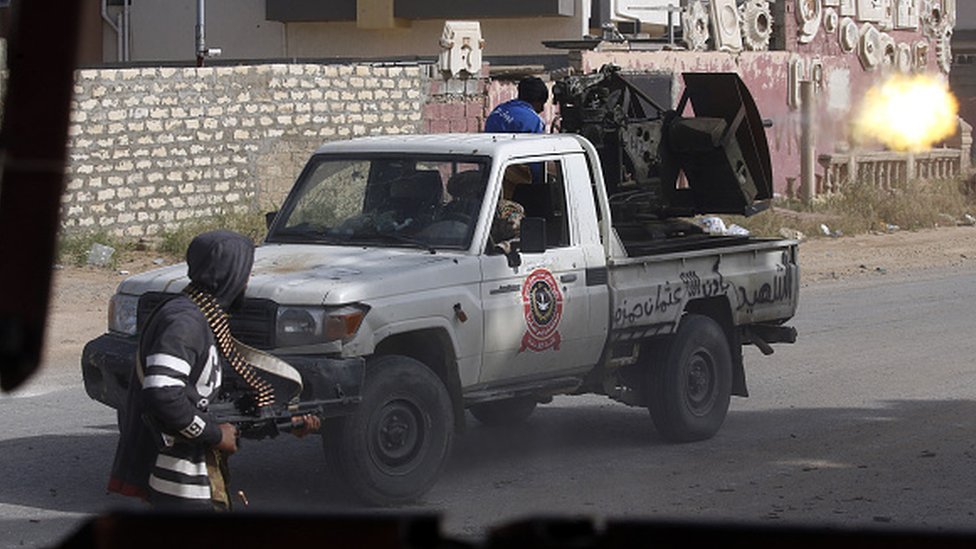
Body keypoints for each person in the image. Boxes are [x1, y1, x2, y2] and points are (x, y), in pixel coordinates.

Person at [107, 230, 319, 510]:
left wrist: (285, 423)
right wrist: (215, 435)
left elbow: (214, 408)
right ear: (228, 273)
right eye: (245, 272)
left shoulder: (197, 314)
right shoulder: (185, 322)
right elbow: (162, 394)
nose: (247, 281)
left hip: (191, 475)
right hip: (180, 480)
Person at [484, 76, 549, 134]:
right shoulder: (534, 121)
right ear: (537, 101)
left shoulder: (499, 110)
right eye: (542, 103)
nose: (542, 109)